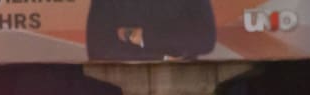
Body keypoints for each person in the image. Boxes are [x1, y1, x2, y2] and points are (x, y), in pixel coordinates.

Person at [85, 0, 217, 61]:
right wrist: (161, 57)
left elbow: (205, 39)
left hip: (186, 88)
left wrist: (144, 37)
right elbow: (98, 48)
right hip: (131, 89)